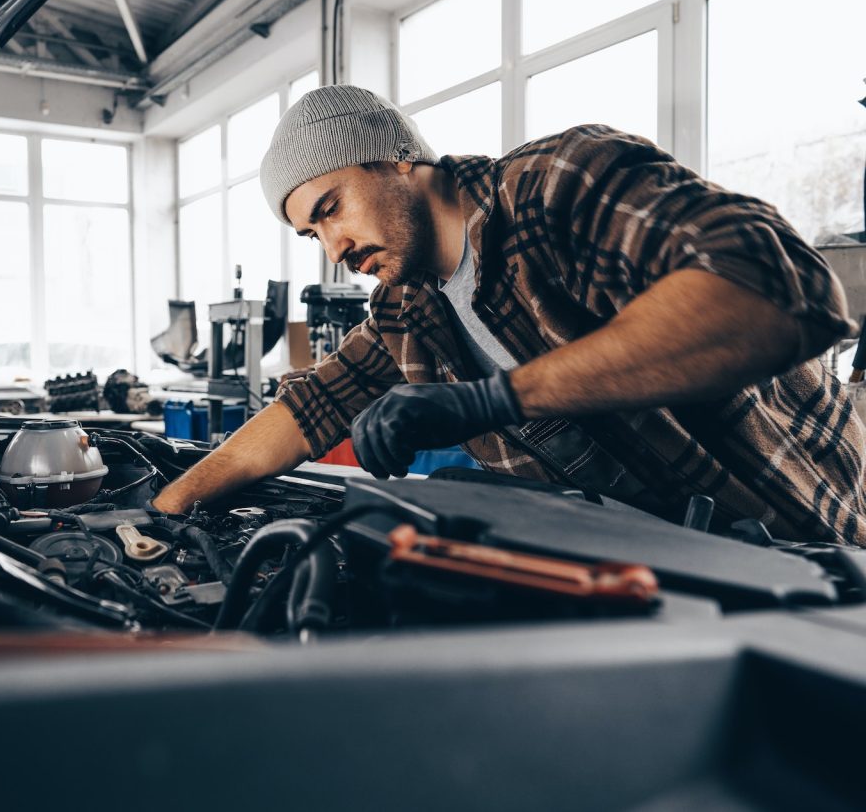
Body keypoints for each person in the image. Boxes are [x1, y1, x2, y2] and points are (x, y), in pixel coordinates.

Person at [152, 84, 866, 545]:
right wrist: (164, 510)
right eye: (313, 235)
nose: (333, 248)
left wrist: (495, 398)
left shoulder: (555, 190)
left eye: (331, 209)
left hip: (813, 548)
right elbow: (307, 412)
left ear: (398, 155)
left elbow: (780, 290)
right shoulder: (407, 311)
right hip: (678, 587)